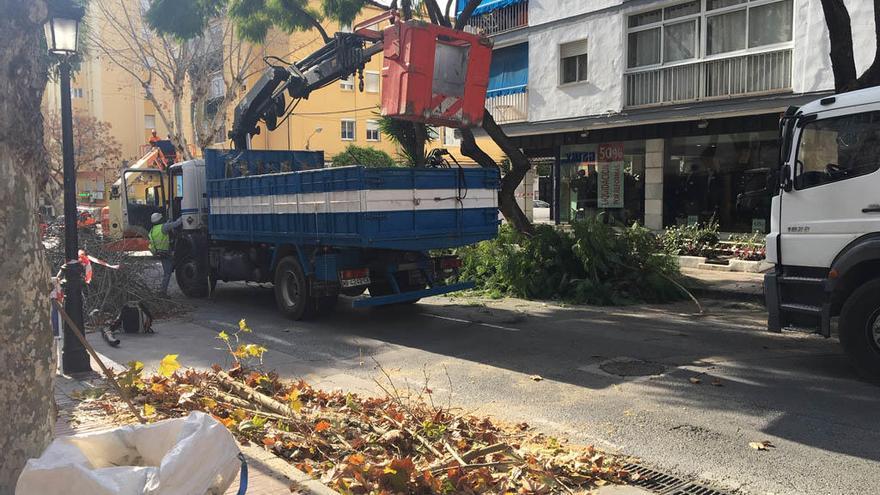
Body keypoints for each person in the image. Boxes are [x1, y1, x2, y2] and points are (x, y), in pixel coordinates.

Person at [148, 212, 182, 295]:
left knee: (169, 269)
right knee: (167, 273)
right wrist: (184, 215)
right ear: (160, 219)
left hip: (159, 253)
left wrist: (168, 223)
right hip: (166, 253)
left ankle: (162, 291)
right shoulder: (164, 227)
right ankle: (162, 292)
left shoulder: (152, 230)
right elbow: (177, 223)